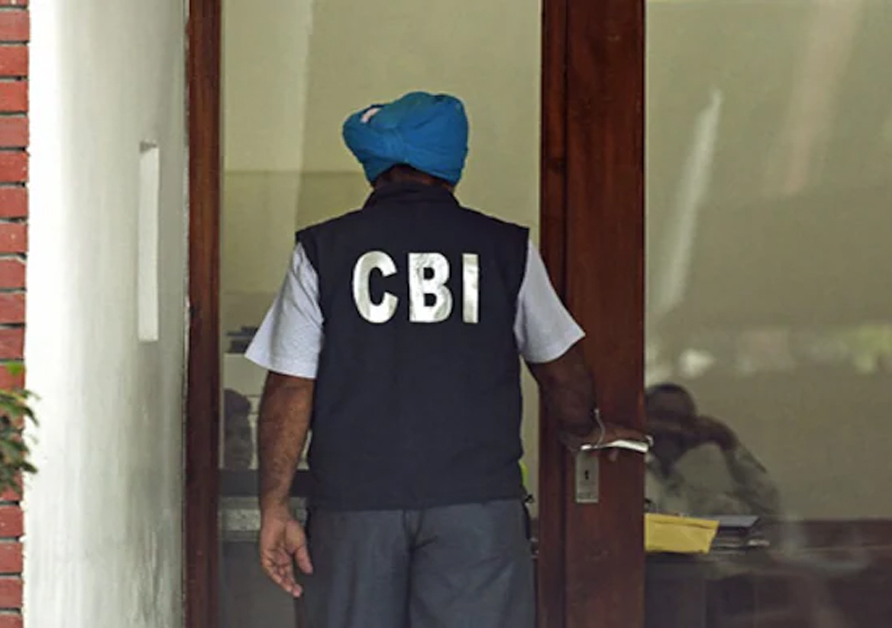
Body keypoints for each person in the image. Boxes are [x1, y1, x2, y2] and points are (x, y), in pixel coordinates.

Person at [244, 91, 642, 628]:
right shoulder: (505, 248)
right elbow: (559, 366)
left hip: (354, 506)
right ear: (452, 165)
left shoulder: (323, 249)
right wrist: (582, 430)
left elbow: (291, 387)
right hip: (475, 506)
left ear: (375, 169)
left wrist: (274, 505)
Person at [644, 383, 781, 517]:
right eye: (662, 417)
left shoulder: (699, 494)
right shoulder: (634, 480)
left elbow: (766, 513)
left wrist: (730, 445)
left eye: (684, 421)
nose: (674, 429)